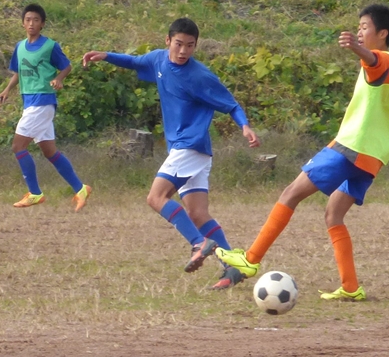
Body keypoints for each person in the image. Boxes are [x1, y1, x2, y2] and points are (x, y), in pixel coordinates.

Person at [216, 4, 389, 300]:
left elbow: (374, 60)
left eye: (364, 27)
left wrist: (356, 49)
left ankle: (251, 259)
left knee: (290, 193)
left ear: (383, 33)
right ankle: (351, 287)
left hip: (351, 146)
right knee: (333, 214)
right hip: (374, 156)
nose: (360, 32)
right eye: (358, 28)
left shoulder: (383, 60)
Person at [82, 17, 260, 286]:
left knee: (156, 197)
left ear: (196, 46)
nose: (183, 51)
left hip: (190, 146)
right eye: (178, 44)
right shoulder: (158, 60)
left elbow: (231, 104)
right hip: (194, 151)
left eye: (190, 45)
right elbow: (135, 61)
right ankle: (233, 267)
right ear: (168, 41)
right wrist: (106, 56)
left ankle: (199, 243)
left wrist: (245, 126)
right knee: (197, 213)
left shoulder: (200, 76)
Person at [0, 3, 91, 211]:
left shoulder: (50, 46)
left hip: (42, 102)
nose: (32, 23)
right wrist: (7, 90)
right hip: (29, 102)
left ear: (42, 24)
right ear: (23, 23)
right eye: (28, 20)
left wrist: (59, 79)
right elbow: (18, 72)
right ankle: (81, 189)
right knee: (49, 151)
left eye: (36, 20)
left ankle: (35, 193)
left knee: (18, 146)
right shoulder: (20, 47)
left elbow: (67, 66)